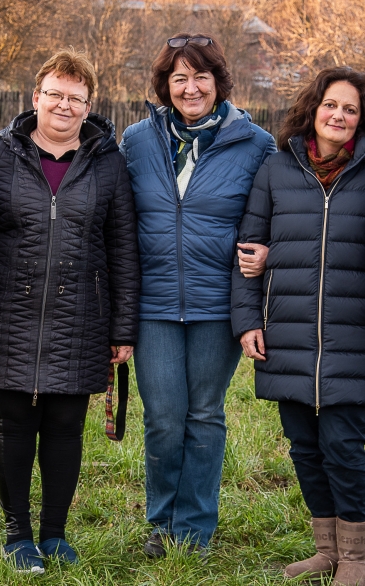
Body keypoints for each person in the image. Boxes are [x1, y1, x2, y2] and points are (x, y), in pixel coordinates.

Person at [232, 67, 365, 586]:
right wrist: (247, 319)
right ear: (313, 109)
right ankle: (327, 549)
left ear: (363, 119)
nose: (338, 115)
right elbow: (247, 248)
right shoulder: (276, 169)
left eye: (350, 109)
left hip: (359, 333)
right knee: (302, 446)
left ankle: (357, 556)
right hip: (286, 331)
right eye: (330, 105)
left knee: (343, 444)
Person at [0, 49, 140, 574]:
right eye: (55, 94)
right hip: (8, 311)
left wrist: (122, 326)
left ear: (89, 107)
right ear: (36, 98)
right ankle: (17, 534)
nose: (64, 104)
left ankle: (55, 534)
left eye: (76, 98)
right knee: (12, 423)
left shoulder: (108, 162)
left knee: (65, 426)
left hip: (83, 311)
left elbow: (123, 246)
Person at [120, 33, 276, 556]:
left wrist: (269, 253)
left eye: (201, 77)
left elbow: (279, 214)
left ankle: (195, 529)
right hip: (154, 303)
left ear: (218, 83)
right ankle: (161, 524)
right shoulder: (137, 140)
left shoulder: (255, 143)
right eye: (179, 78)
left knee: (204, 415)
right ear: (165, 85)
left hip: (219, 303)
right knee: (164, 417)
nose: (190, 88)